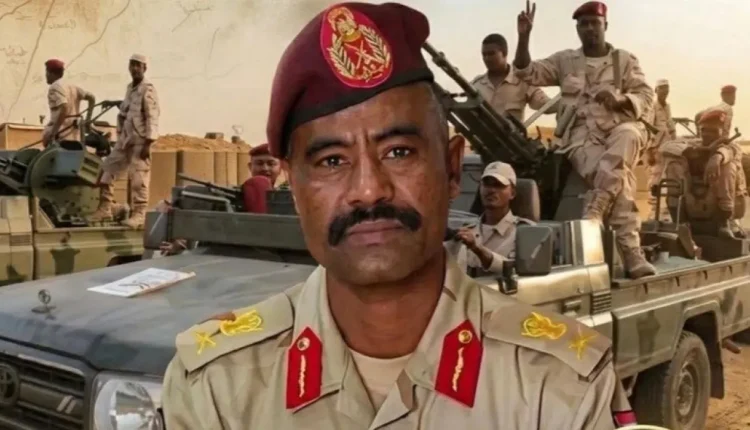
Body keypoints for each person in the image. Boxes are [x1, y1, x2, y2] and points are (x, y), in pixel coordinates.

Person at [161, 3, 637, 429]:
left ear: (452, 169)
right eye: (332, 160)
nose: (369, 189)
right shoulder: (216, 388)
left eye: (399, 152)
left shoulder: (559, 388)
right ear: (294, 185)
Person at [512, 0, 655, 279]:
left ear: (605, 26)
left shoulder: (624, 60)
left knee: (628, 135)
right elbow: (526, 72)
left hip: (617, 131)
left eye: (594, 23)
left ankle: (596, 207)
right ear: (577, 29)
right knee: (619, 176)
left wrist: (621, 99)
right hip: (580, 139)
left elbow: (646, 96)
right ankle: (631, 252)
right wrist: (524, 37)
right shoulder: (565, 60)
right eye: (583, 24)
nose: (589, 29)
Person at [91, 54, 160, 229]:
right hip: (125, 140)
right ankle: (105, 207)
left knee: (139, 179)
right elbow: (128, 107)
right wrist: (114, 102)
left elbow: (152, 116)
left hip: (140, 141)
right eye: (132, 65)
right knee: (107, 169)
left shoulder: (148, 89)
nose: (135, 69)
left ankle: (139, 215)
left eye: (138, 65)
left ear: (144, 68)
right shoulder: (131, 88)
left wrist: (148, 143)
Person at [661, 109, 747, 238]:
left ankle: (724, 223)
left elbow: (729, 151)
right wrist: (696, 151)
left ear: (723, 132)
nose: (707, 134)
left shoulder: (733, 146)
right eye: (704, 130)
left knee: (727, 166)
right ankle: (681, 222)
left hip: (727, 203)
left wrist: (716, 157)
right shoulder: (695, 143)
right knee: (674, 164)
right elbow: (666, 147)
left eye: (713, 131)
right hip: (692, 198)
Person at [445, 161, 534, 276]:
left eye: (498, 185)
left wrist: (478, 249)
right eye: (487, 184)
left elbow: (522, 273)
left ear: (512, 193)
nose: (491, 190)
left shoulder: (525, 232)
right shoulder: (466, 230)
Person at [470, 34, 556, 124]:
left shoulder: (523, 81)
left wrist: (564, 101)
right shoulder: (476, 85)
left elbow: (545, 105)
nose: (487, 58)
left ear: (504, 53)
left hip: (510, 133)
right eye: (484, 55)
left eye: (491, 54)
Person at [42, 59, 96, 147]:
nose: (46, 75)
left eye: (47, 72)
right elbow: (91, 97)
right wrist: (88, 120)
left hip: (60, 135)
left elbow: (64, 107)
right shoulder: (71, 86)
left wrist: (53, 133)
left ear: (51, 73)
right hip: (74, 135)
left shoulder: (55, 87)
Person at [645, 79, 676, 221]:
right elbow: (648, 127)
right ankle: (653, 212)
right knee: (655, 178)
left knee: (667, 178)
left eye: (667, 88)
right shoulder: (653, 106)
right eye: (662, 88)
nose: (665, 91)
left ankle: (663, 211)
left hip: (667, 147)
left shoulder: (667, 106)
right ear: (656, 90)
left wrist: (674, 142)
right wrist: (649, 151)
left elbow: (670, 125)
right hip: (656, 148)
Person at [242, 143, 281, 213]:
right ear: (250, 167)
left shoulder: (290, 196)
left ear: (280, 168)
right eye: (259, 163)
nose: (265, 168)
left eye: (271, 164)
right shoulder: (241, 195)